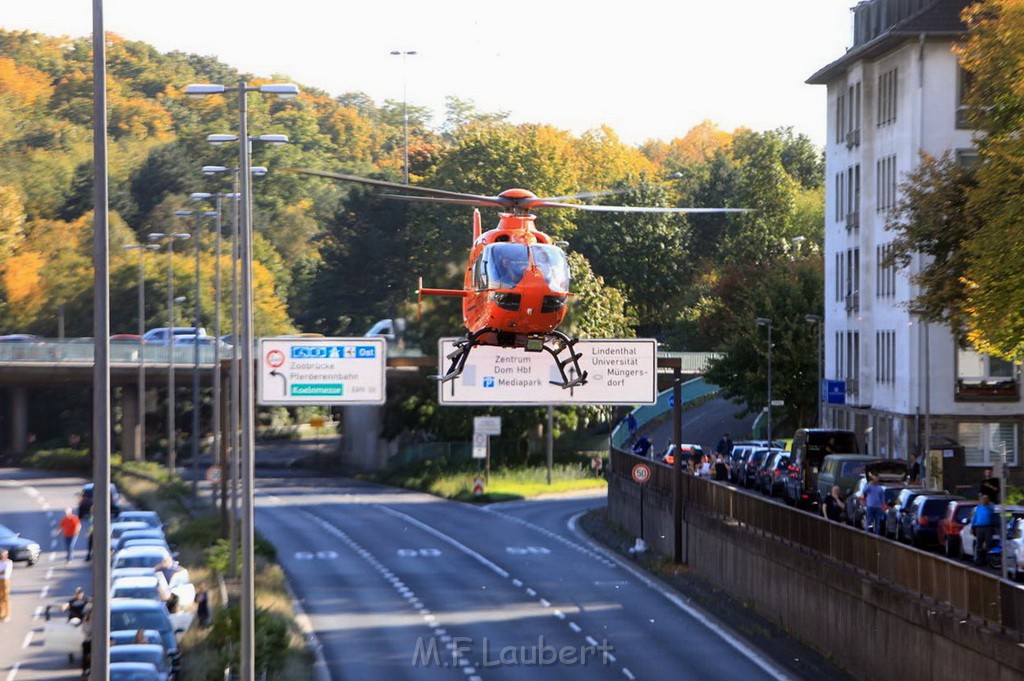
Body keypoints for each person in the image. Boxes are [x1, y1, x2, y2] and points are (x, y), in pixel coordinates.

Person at [970, 494, 997, 565]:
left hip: (988, 528)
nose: (984, 500)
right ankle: (978, 560)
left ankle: (989, 561)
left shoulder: (992, 508)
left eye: (986, 499)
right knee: (979, 545)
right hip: (979, 528)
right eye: (983, 499)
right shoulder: (978, 508)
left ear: (988, 500)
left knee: (989, 545)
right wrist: (972, 527)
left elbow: (995, 517)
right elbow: (975, 518)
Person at [0, 549, 12, 622]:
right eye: (1, 555)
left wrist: (1, 572)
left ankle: (7, 614)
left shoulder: (9, 562)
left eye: (3, 555)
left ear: (6, 555)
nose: (2, 556)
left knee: (6, 597)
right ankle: (2, 613)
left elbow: (5, 572)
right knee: (0, 597)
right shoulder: (1, 562)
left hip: (5, 581)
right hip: (0, 581)